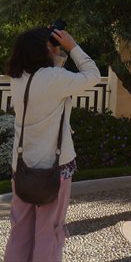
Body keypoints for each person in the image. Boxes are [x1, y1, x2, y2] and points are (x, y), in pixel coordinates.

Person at [4, 26, 101, 262]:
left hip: (23, 167)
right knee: (49, 230)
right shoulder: (55, 79)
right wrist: (72, 46)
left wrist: (54, 50)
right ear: (42, 50)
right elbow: (93, 75)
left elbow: (48, 78)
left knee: (20, 229)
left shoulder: (17, 79)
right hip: (54, 168)